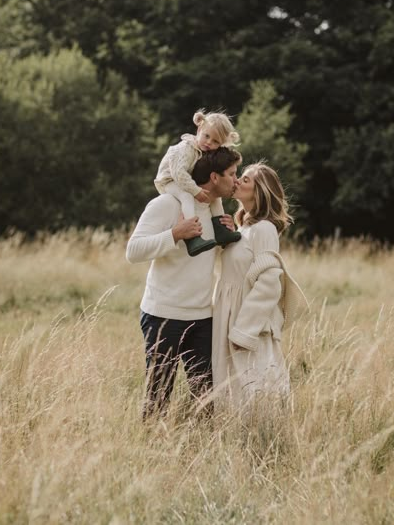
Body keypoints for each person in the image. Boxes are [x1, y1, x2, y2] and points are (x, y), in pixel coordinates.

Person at [126, 147, 242, 417]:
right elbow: (133, 251)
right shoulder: (167, 204)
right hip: (163, 315)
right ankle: (152, 450)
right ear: (214, 177)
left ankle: (198, 452)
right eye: (233, 174)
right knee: (157, 399)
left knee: (205, 400)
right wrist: (174, 235)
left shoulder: (217, 214)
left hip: (202, 317)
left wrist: (232, 236)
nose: (237, 180)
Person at [212, 162, 309, 407]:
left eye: (245, 179)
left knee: (255, 384)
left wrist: (245, 331)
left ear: (259, 192)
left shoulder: (264, 229)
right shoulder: (244, 228)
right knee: (231, 386)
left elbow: (269, 283)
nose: (237, 181)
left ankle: (263, 437)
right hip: (228, 312)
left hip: (247, 321)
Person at [154, 109, 242, 256]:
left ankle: (221, 230)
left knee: (215, 197)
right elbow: (179, 174)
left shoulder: (203, 149)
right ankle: (193, 236)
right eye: (206, 136)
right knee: (186, 196)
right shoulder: (186, 148)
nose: (209, 142)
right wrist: (196, 190)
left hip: (185, 180)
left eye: (215, 141)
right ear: (199, 128)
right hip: (169, 179)